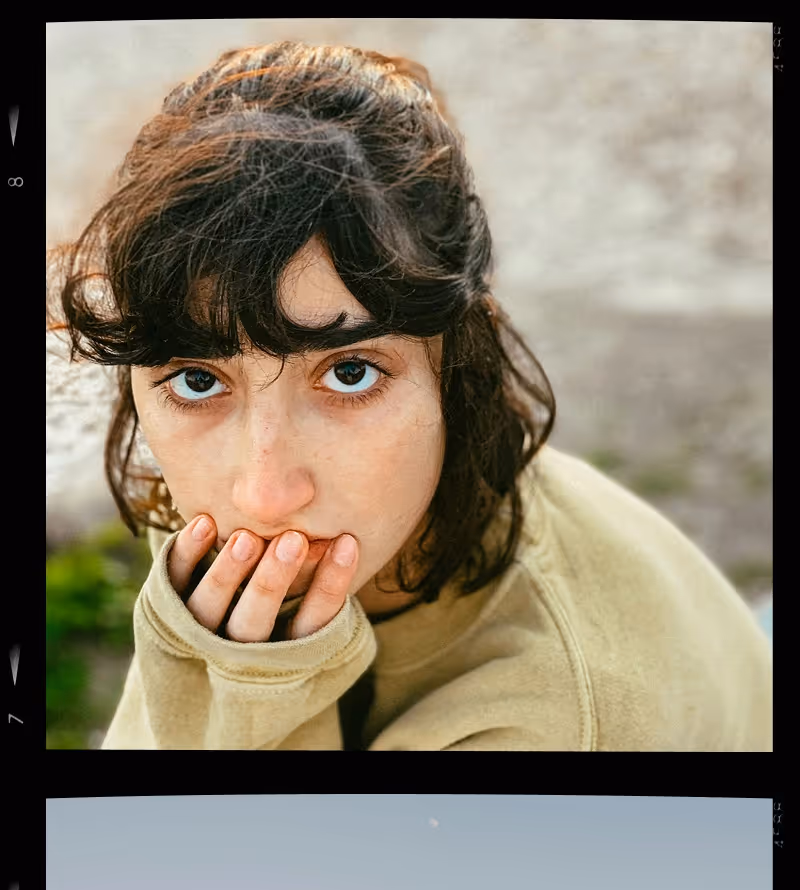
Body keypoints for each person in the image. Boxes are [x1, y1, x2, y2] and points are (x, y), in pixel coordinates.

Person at [47, 41, 772, 750]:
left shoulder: (546, 721)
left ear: (455, 368)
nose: (265, 493)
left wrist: (241, 697)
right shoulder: (386, 496)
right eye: (200, 380)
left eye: (350, 373)